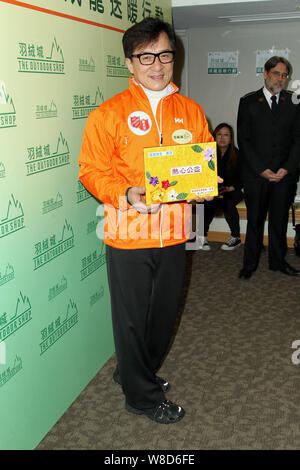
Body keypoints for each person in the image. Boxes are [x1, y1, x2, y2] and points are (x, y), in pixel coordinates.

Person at [78, 17, 216, 424]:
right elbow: (91, 170)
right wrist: (125, 194)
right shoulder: (109, 114)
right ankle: (140, 395)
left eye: (165, 55)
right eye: (146, 56)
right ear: (130, 63)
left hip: (175, 233)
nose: (157, 65)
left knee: (161, 316)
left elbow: (200, 164)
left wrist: (206, 184)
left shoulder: (191, 111)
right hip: (126, 234)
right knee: (132, 318)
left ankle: (134, 371)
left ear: (174, 57)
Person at [237, 56, 300, 279]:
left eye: (284, 75)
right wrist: (262, 169)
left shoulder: (294, 102)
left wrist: (286, 169)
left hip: (284, 175)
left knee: (279, 221)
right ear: (265, 74)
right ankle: (249, 264)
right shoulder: (248, 102)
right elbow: (243, 140)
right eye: (276, 73)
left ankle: (277, 261)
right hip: (256, 175)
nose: (280, 79)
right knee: (254, 220)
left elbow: (298, 140)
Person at [197, 123, 243, 251]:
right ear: (214, 136)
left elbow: (242, 178)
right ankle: (201, 236)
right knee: (207, 202)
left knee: (227, 202)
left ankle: (235, 237)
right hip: (213, 191)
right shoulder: (208, 153)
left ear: (230, 138)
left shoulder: (238, 154)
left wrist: (230, 188)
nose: (222, 138)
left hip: (232, 190)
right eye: (219, 134)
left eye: (226, 135)